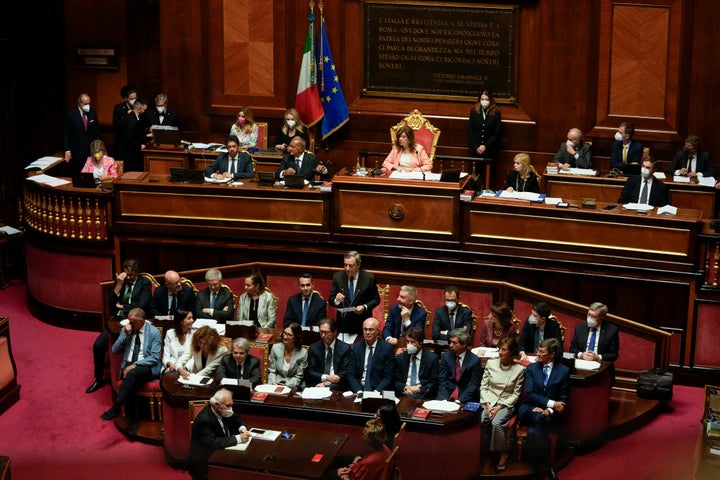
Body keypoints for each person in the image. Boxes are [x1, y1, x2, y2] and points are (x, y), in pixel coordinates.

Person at [87, 259, 153, 394]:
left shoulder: (145, 283)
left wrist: (122, 306)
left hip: (136, 322)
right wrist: (119, 284)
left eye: (131, 275)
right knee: (98, 345)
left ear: (137, 273)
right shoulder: (121, 280)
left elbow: (142, 305)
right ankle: (99, 379)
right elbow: (111, 303)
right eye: (126, 274)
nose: (128, 278)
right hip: (117, 322)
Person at [100, 308, 162, 437]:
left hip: (146, 366)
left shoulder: (154, 332)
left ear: (141, 321)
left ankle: (116, 407)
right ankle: (134, 422)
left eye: (132, 322)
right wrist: (125, 335)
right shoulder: (127, 329)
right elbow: (115, 349)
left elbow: (154, 358)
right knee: (132, 381)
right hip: (129, 367)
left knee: (132, 374)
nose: (129, 323)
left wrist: (135, 365)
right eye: (129, 320)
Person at [518, 338, 570, 480]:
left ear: (551, 354)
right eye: (538, 350)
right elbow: (529, 394)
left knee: (535, 429)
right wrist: (552, 404)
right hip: (529, 409)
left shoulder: (563, 371)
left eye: (541, 352)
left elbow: (564, 399)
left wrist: (550, 411)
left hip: (547, 414)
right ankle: (548, 466)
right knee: (539, 417)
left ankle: (537, 468)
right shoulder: (531, 368)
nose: (537, 354)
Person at [480, 336, 525, 473]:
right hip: (489, 400)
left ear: (511, 352)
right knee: (483, 419)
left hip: (506, 404)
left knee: (497, 423)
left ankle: (499, 453)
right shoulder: (491, 363)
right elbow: (484, 387)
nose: (500, 352)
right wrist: (488, 406)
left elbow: (515, 394)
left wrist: (499, 407)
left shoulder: (519, 369)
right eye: (499, 348)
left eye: (504, 350)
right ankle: (484, 450)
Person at [187, 388, 251, 480]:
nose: (231, 408)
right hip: (205, 462)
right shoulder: (204, 420)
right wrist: (238, 438)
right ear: (217, 405)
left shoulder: (224, 410)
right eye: (228, 405)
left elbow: (237, 418)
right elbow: (213, 442)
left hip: (223, 453)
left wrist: (242, 429)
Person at [329, 251, 381, 337]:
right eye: (345, 265)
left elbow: (376, 299)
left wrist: (364, 307)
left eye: (350, 265)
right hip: (343, 324)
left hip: (362, 324)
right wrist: (336, 300)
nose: (347, 268)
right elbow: (331, 300)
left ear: (358, 265)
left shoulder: (369, 278)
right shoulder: (338, 277)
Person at [569, 301, 619, 382]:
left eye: (593, 316)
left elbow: (614, 355)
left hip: (601, 369)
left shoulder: (611, 331)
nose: (589, 318)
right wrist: (581, 355)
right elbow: (572, 349)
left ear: (602, 317)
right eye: (588, 314)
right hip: (580, 367)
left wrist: (598, 357)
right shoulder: (580, 328)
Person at [347, 318, 396, 392]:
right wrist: (358, 391)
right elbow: (351, 374)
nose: (367, 332)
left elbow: (389, 376)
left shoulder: (387, 348)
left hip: (378, 389)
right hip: (359, 389)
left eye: (371, 330)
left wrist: (376, 392)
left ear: (378, 331)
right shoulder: (356, 347)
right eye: (365, 329)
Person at [305, 318, 351, 390]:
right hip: (317, 384)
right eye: (321, 332)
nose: (323, 335)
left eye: (326, 332)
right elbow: (310, 371)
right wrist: (327, 378)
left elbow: (345, 372)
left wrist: (326, 384)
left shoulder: (345, 348)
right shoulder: (314, 348)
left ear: (335, 332)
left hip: (336, 385)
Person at [437, 328, 482, 403]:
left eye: (454, 343)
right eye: (450, 342)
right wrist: (443, 399)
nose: (450, 345)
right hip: (447, 394)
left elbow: (473, 385)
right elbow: (442, 380)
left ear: (464, 344)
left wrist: (460, 400)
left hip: (465, 397)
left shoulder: (474, 360)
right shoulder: (446, 356)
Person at [468, 90, 502, 185]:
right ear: (479, 100)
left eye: (486, 99)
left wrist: (485, 146)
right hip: (475, 151)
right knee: (474, 176)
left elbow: (496, 133)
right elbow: (470, 131)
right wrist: (477, 146)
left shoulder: (496, 113)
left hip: (489, 151)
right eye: (482, 99)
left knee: (487, 176)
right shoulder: (474, 112)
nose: (484, 101)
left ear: (490, 100)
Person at [394, 327, 439, 399]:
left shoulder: (432, 358)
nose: (409, 345)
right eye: (407, 342)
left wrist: (419, 390)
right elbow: (395, 380)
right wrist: (406, 388)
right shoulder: (401, 358)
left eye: (412, 342)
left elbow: (433, 383)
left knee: (413, 397)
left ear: (420, 343)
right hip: (404, 392)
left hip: (422, 394)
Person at [62, 92, 100, 176]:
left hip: (91, 151)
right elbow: (66, 134)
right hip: (77, 152)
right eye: (86, 104)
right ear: (79, 103)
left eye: (89, 103)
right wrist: (67, 150)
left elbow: (96, 131)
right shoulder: (71, 115)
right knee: (78, 174)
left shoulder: (92, 112)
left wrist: (97, 147)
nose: (88, 106)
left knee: (91, 174)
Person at [267, 322, 308, 388]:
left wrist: (287, 385)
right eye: (284, 333)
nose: (285, 337)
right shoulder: (275, 348)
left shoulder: (303, 353)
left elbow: (299, 376)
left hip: (293, 386)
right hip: (276, 383)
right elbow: (272, 371)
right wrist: (273, 383)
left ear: (296, 338)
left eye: (289, 335)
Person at [117, 97, 149, 172]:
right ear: (139, 109)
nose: (144, 112)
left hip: (130, 153)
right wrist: (139, 146)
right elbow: (128, 137)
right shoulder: (131, 119)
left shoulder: (132, 117)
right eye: (143, 110)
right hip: (129, 155)